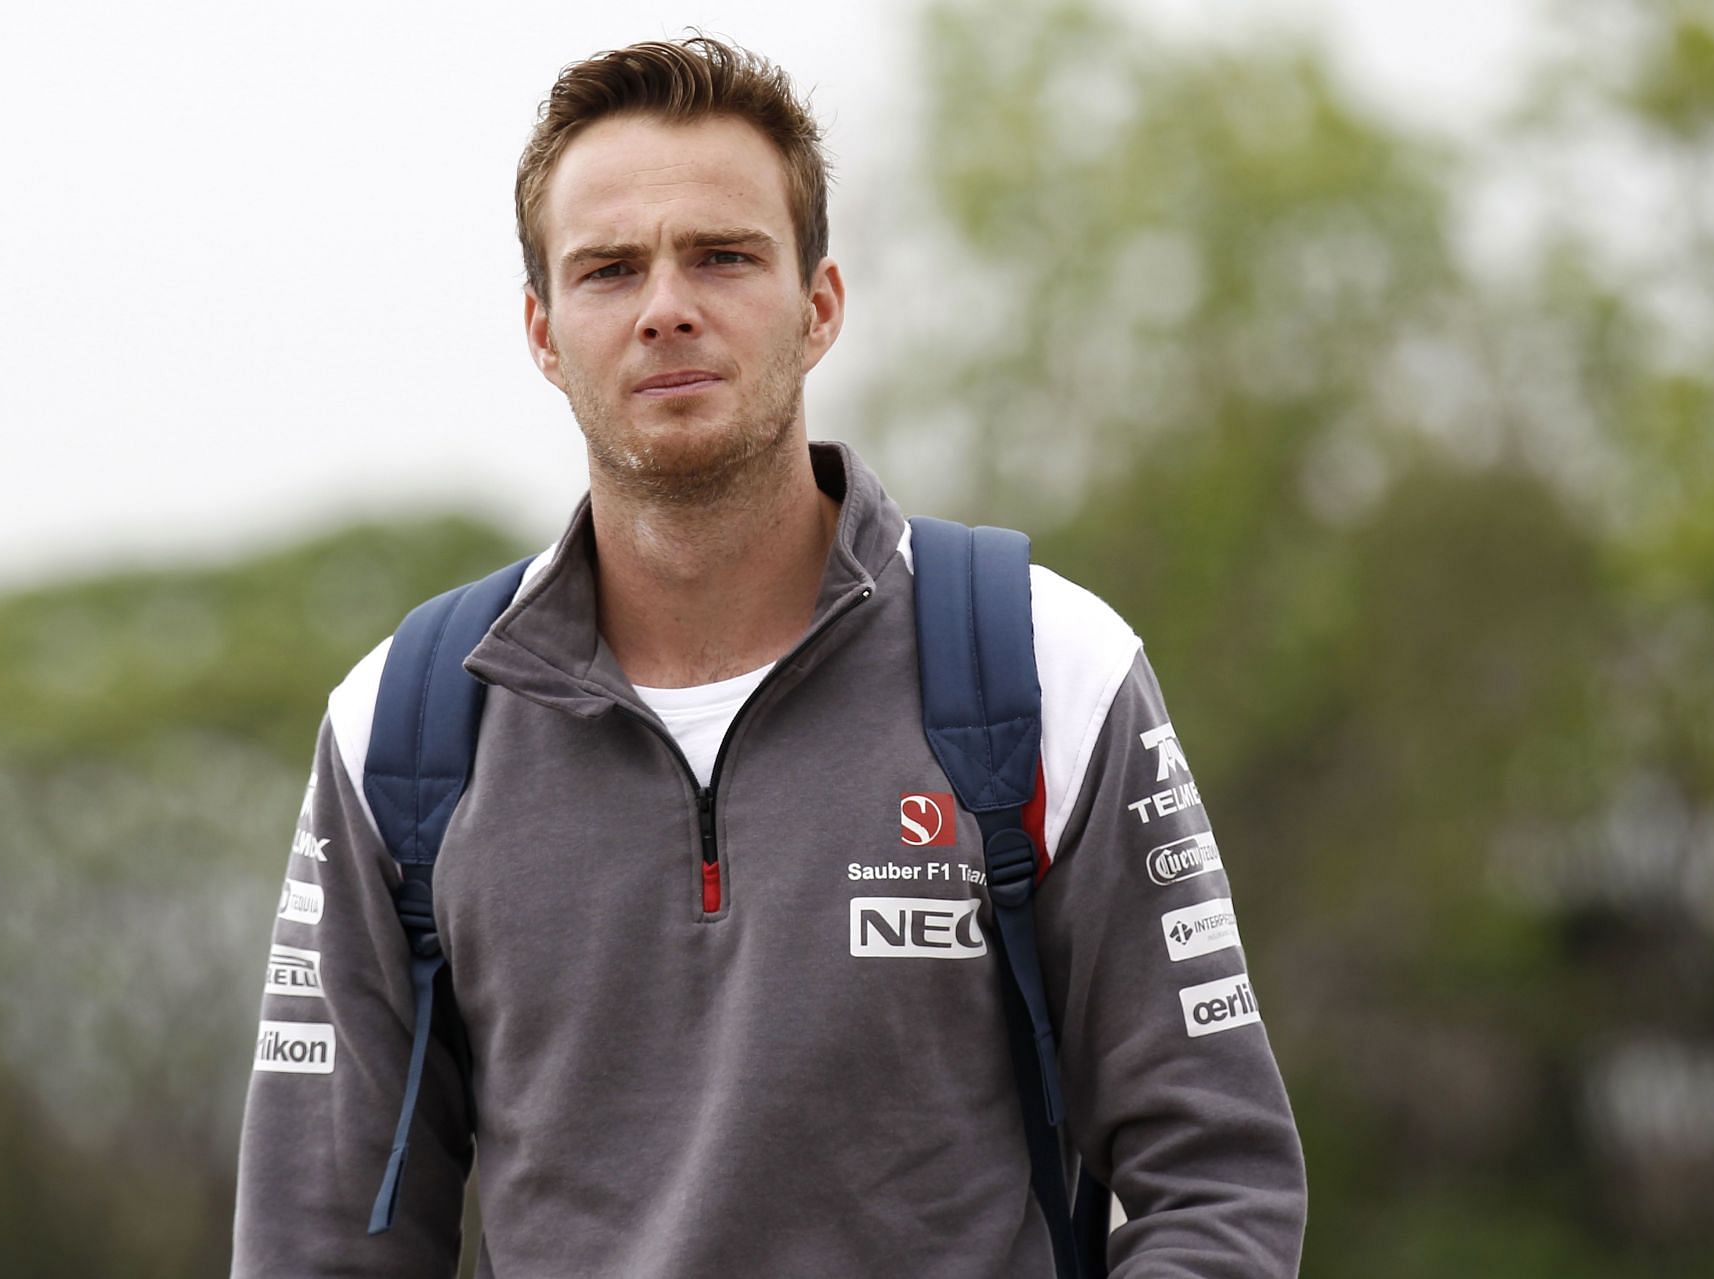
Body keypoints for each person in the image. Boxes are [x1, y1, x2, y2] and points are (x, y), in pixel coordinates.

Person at [231, 35, 1306, 1278]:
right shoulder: (403, 729)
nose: (666, 305)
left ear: (820, 304)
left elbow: (1218, 1185)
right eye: (609, 269)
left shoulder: (1044, 668)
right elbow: (319, 1244)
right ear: (542, 331)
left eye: (724, 256)